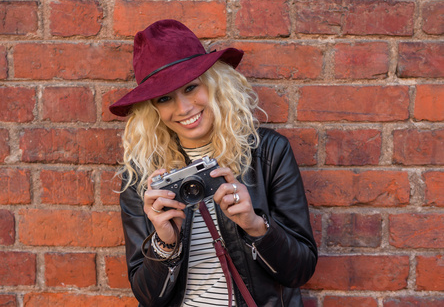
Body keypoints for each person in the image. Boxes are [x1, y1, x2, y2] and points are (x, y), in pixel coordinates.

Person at [110, 19, 317, 307]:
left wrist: (256, 226)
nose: (183, 108)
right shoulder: (144, 174)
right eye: (165, 98)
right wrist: (166, 243)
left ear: (214, 82)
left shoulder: (268, 153)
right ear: (152, 109)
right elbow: (148, 297)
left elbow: (301, 270)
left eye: (191, 87)